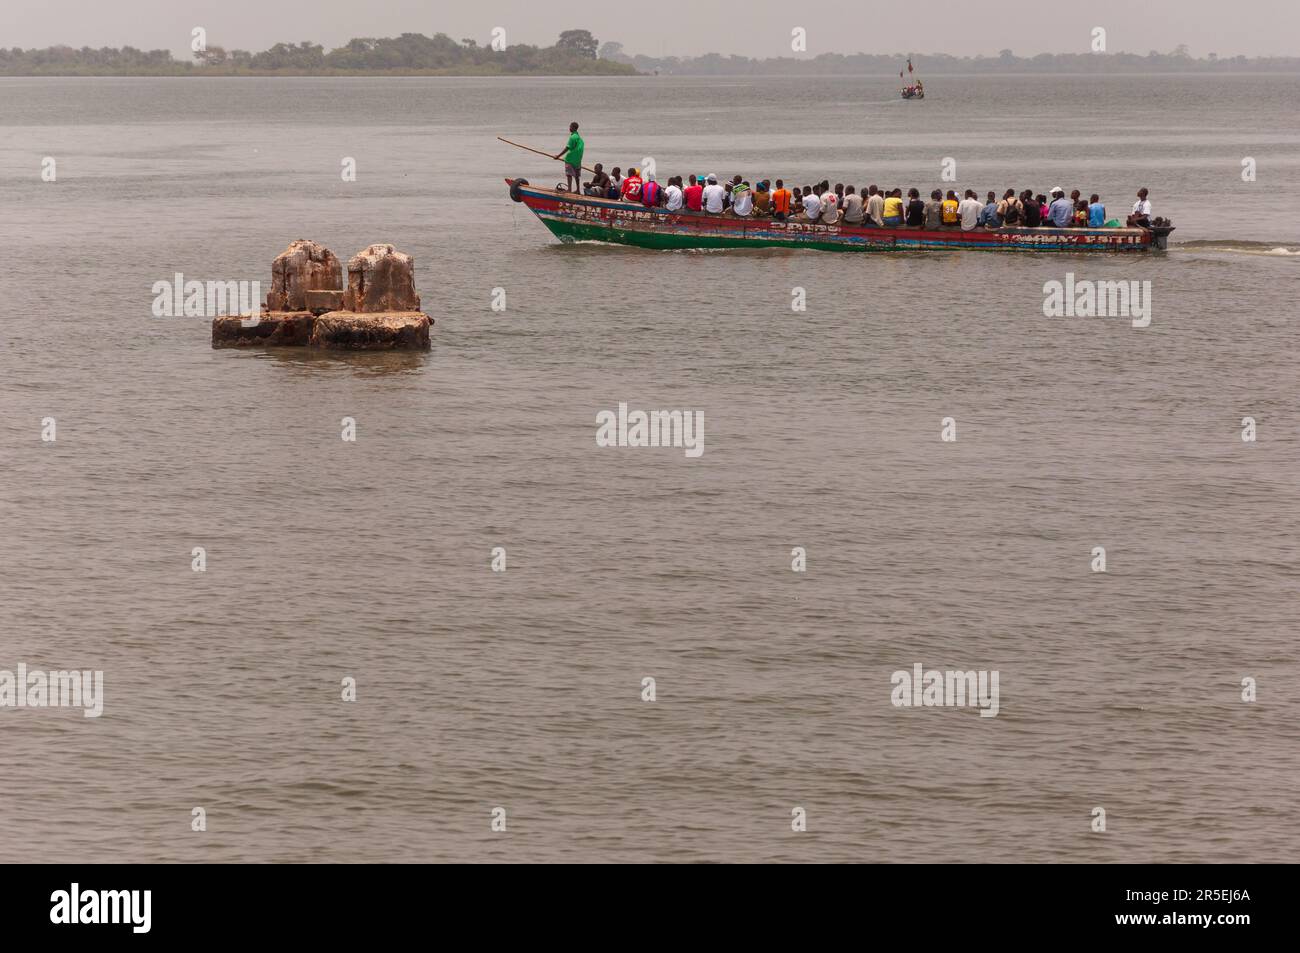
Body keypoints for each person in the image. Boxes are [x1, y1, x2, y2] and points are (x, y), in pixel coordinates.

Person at [553, 121, 585, 193]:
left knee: (569, 174)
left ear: (573, 128)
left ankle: (569, 189)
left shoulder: (573, 137)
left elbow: (567, 148)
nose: (569, 128)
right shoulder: (579, 137)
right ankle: (578, 190)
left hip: (570, 159)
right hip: (578, 160)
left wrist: (558, 156)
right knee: (577, 175)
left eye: (570, 127)